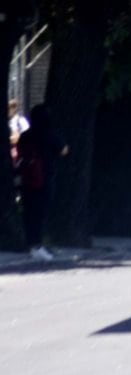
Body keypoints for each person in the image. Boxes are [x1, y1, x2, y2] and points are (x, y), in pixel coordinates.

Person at [15, 103, 66, 262]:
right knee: (41, 214)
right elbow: (63, 150)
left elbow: (19, 151)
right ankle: (37, 245)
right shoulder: (50, 134)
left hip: (26, 178)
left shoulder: (26, 135)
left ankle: (30, 243)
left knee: (28, 212)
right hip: (44, 178)